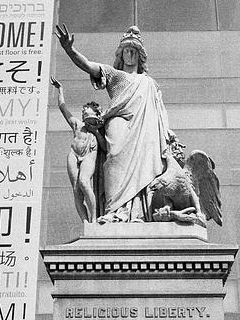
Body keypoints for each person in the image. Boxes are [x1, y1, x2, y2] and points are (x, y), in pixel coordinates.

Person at [55, 24, 172, 223]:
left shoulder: (149, 82)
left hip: (145, 130)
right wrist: (69, 49)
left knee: (147, 165)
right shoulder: (113, 74)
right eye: (127, 50)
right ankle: (113, 210)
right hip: (117, 125)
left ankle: (137, 213)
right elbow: (88, 65)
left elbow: (160, 111)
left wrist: (167, 133)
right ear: (121, 54)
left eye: (134, 51)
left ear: (140, 55)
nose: (130, 54)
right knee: (113, 161)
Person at [50, 76, 105, 222]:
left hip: (89, 155)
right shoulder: (77, 125)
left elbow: (105, 148)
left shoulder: (100, 130)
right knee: (76, 190)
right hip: (73, 154)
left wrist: (96, 131)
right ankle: (84, 221)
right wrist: (60, 90)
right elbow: (63, 107)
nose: (84, 113)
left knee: (84, 182)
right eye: (84, 113)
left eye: (87, 112)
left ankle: (93, 219)